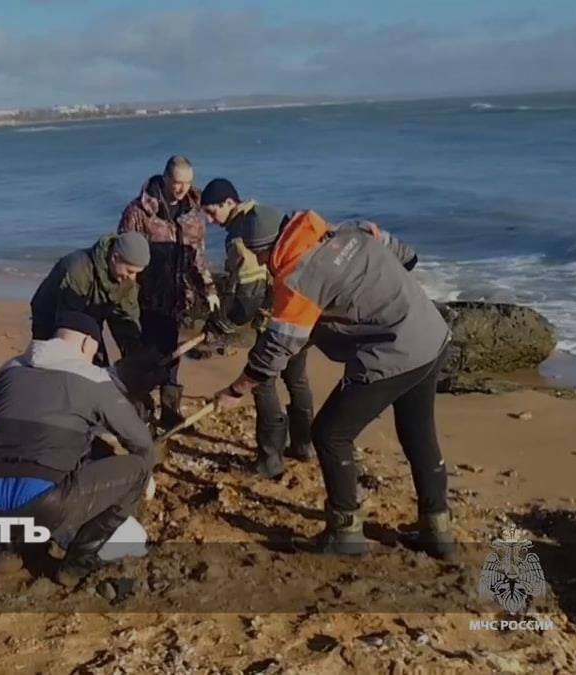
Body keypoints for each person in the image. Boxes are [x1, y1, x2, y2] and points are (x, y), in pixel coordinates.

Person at [212, 210, 453, 559]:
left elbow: (277, 348)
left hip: (394, 352)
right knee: (418, 432)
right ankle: (438, 530)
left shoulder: (299, 278)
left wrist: (236, 390)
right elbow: (407, 256)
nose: (260, 263)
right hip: (430, 333)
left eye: (257, 256)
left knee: (330, 435)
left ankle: (345, 533)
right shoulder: (349, 230)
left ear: (265, 248)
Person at [0, 311, 157, 586]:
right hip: (44, 504)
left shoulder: (8, 369)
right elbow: (141, 442)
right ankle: (75, 565)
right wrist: (146, 479)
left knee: (28, 456)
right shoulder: (93, 377)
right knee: (139, 469)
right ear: (87, 343)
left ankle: (9, 552)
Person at [200, 178, 314, 479]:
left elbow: (249, 295)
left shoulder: (241, 237)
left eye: (212, 212)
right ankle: (303, 445)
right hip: (303, 312)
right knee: (297, 379)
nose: (210, 221)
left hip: (276, 320)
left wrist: (223, 324)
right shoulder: (264, 215)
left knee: (262, 383)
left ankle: (270, 460)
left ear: (229, 203)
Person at [118, 155, 216, 428]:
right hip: (144, 298)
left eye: (188, 183)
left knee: (172, 354)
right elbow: (124, 255)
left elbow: (199, 256)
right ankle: (141, 412)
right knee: (144, 356)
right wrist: (125, 297)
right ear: (164, 178)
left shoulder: (195, 211)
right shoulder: (138, 212)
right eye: (177, 182)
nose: (182, 189)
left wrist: (209, 290)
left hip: (177, 297)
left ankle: (170, 411)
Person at [29, 231, 152, 366]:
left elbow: (125, 321)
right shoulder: (78, 269)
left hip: (91, 316)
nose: (132, 278)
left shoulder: (126, 280)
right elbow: (69, 323)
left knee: (100, 367)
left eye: (137, 273)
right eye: (130, 271)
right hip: (51, 316)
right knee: (56, 363)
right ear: (115, 257)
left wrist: (136, 357)